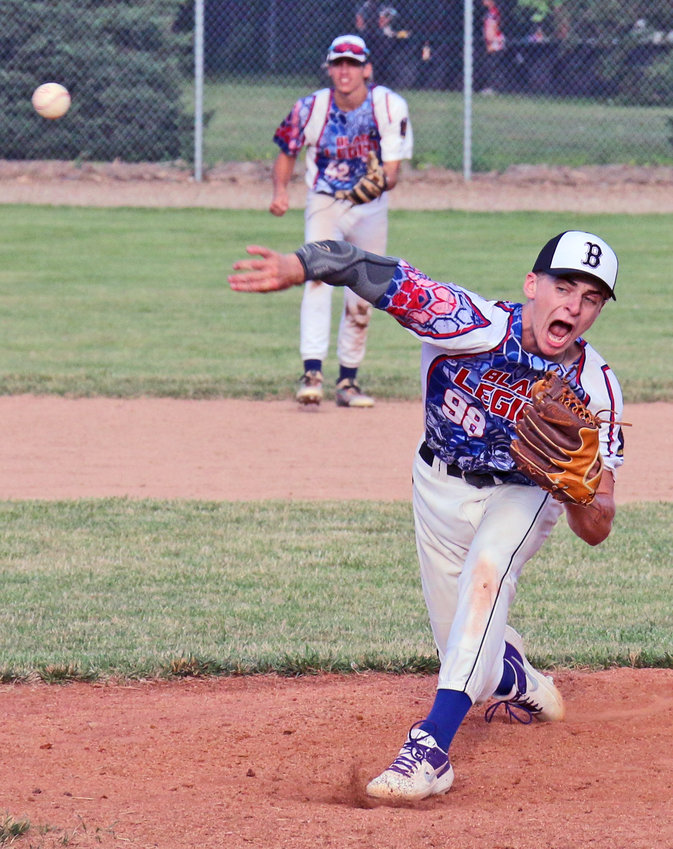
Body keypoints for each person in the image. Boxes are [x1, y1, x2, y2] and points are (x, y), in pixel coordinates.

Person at [228, 230, 625, 802]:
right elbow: (372, 269)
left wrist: (579, 490)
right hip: (435, 486)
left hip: (521, 496)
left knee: (487, 575)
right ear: (532, 285)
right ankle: (521, 680)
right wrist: (302, 265)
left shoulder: (596, 389)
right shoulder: (469, 322)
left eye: (591, 298)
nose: (574, 306)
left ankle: (429, 750)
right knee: (465, 652)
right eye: (564, 287)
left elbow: (598, 528)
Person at [270, 34, 413, 408]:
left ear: (367, 68)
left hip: (370, 207)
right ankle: (311, 374)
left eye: (352, 63)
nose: (345, 70)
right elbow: (287, 149)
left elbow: (393, 174)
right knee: (316, 277)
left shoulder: (388, 105)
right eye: (338, 63)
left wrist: (377, 183)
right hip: (325, 202)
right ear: (330, 68)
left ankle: (348, 381)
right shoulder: (310, 107)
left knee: (365, 289)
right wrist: (280, 191)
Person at [482, 0, 506, 94]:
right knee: (490, 64)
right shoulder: (489, 13)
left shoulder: (494, 12)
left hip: (496, 41)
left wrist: (491, 40)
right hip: (491, 42)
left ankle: (494, 87)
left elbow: (492, 27)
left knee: (493, 64)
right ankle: (493, 86)